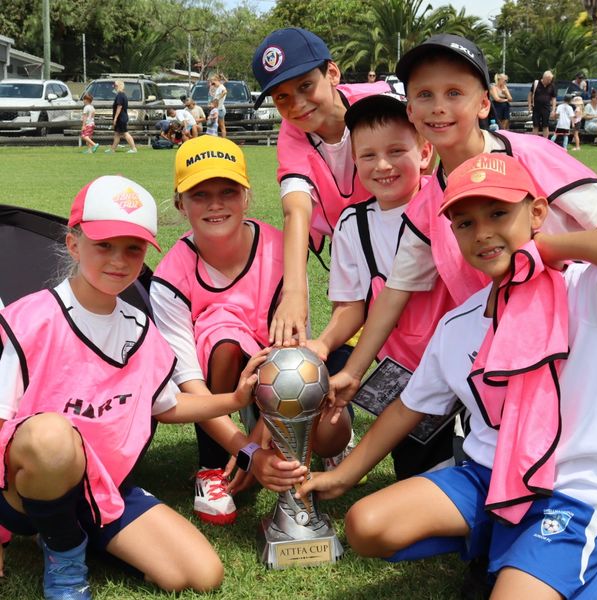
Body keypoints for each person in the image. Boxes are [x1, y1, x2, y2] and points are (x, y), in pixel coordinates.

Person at [299, 152, 597, 599]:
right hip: (484, 475)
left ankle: (548, 554)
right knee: (366, 526)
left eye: (498, 213)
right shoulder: (460, 321)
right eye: (465, 223)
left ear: (536, 211)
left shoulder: (582, 291)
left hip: (568, 492)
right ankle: (502, 538)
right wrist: (344, 476)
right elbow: (408, 407)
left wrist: (545, 250)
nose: (483, 233)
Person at [0, 174, 268, 597]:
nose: (119, 261)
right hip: (24, 491)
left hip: (103, 486)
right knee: (50, 434)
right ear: (74, 244)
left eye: (133, 249)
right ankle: (65, 556)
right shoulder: (30, 318)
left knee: (199, 575)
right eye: (103, 245)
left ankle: (83, 537)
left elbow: (167, 406)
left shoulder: (140, 327)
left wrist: (234, 400)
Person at [329, 33, 597, 431]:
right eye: (424, 95)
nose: (438, 108)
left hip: (581, 344)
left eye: (454, 92)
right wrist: (353, 372)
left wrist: (538, 250)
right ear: (410, 109)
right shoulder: (427, 206)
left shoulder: (530, 156)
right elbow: (396, 292)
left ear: (484, 102)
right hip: (505, 358)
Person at [149, 136, 351, 525]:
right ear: (180, 203)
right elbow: (192, 389)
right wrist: (249, 454)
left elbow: (295, 360)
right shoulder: (169, 279)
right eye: (199, 194)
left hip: (276, 377)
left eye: (228, 191)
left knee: (332, 433)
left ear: (246, 196)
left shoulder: (281, 251)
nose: (215, 204)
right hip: (220, 386)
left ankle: (301, 447)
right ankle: (212, 467)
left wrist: (260, 443)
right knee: (222, 338)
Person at [307, 93, 457, 479]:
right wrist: (322, 345)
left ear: (425, 152)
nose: (383, 165)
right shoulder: (353, 225)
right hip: (403, 377)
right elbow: (351, 308)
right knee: (419, 475)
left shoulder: (450, 203)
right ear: (355, 160)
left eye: (396, 150)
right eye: (368, 155)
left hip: (463, 366)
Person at [251, 27, 390, 347]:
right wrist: (294, 293)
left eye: (305, 86)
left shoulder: (380, 104)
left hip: (396, 222)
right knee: (351, 309)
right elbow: (296, 209)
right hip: (345, 236)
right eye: (282, 96)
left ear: (332, 73)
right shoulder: (292, 133)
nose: (297, 104)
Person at [105, 80, 137, 154]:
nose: (114, 87)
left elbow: (119, 107)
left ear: (119, 86)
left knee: (125, 133)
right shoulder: (122, 95)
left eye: (115, 86)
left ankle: (134, 148)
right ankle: (112, 149)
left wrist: (115, 118)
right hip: (122, 117)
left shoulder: (120, 95)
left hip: (121, 118)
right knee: (117, 134)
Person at [528, 70, 557, 139]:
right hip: (536, 108)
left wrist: (553, 110)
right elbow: (530, 95)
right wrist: (529, 106)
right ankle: (535, 141)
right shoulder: (536, 83)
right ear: (544, 78)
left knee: (545, 125)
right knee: (535, 125)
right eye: (548, 80)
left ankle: (545, 141)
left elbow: (554, 98)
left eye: (550, 80)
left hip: (546, 108)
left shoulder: (552, 86)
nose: (549, 81)